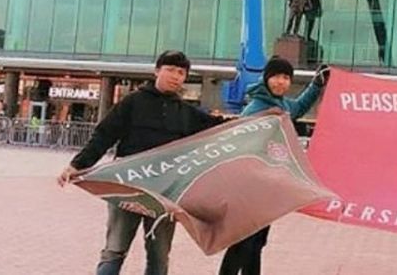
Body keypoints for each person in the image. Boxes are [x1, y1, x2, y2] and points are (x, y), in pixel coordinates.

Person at [57, 50, 230, 275]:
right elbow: (104, 135)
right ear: (157, 70)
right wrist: (77, 165)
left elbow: (218, 128)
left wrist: (255, 121)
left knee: (159, 254)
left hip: (166, 192)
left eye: (181, 72)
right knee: (115, 249)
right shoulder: (133, 102)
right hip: (128, 187)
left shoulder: (186, 112)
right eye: (170, 69)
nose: (175, 76)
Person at [218, 56, 330, 275]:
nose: (281, 82)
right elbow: (238, 146)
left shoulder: (280, 105)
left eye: (286, 77)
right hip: (249, 188)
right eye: (276, 76)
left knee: (255, 243)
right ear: (267, 78)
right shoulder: (256, 108)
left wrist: (316, 84)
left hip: (265, 189)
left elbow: (299, 107)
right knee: (245, 243)